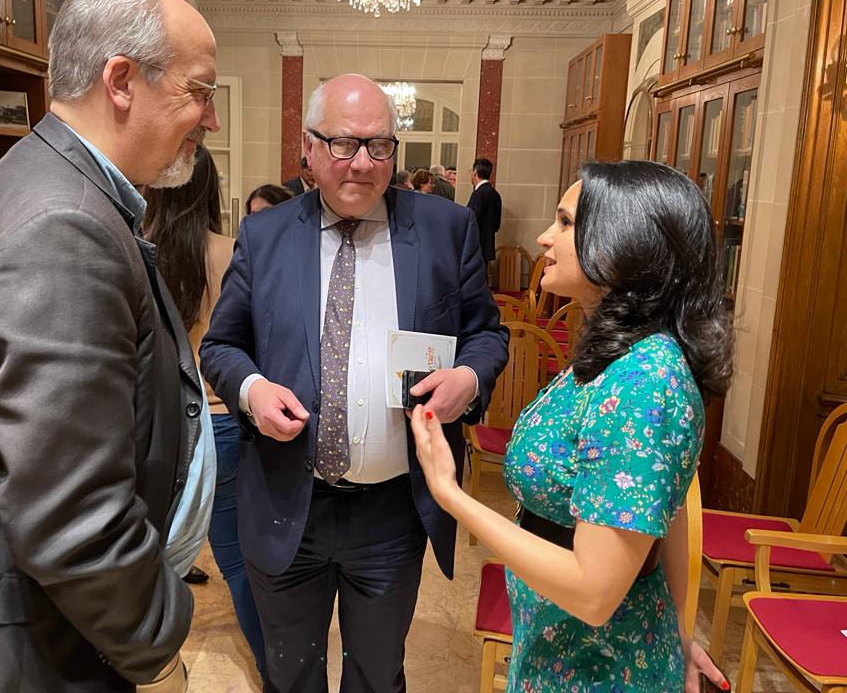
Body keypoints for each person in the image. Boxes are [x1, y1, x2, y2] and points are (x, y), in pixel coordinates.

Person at [0, 0, 220, 693]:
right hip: (44, 652)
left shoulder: (42, 180)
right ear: (121, 80)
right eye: (199, 92)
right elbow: (72, 517)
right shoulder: (66, 225)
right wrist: (157, 652)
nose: (211, 117)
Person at [200, 74, 509, 692]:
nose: (363, 164)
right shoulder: (265, 236)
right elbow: (221, 345)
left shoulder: (447, 229)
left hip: (391, 513)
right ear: (309, 149)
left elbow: (487, 334)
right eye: (344, 145)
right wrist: (253, 390)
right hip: (289, 502)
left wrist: (469, 379)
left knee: (376, 673)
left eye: (380, 146)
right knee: (289, 674)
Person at [410, 160, 733, 692]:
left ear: (622, 242)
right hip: (562, 643)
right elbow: (659, 511)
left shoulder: (646, 380)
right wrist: (678, 632)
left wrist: (451, 494)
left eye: (564, 223)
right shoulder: (618, 351)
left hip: (603, 665)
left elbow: (592, 591)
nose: (544, 238)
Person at [142, 146, 270, 688]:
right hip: (220, 418)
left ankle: (148, 660)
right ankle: (273, 668)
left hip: (158, 424)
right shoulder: (231, 250)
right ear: (210, 192)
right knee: (239, 562)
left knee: (145, 553)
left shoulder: (137, 247)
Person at [466, 157, 502, 264]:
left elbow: (472, 219)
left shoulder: (478, 193)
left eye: (471, 171)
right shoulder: (495, 194)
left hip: (475, 246)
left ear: (475, 172)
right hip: (487, 246)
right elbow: (496, 225)